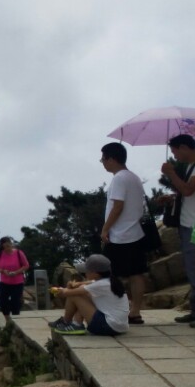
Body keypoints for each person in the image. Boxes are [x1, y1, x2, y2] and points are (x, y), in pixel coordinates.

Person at [100, 142, 147, 324]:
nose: (103, 163)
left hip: (119, 235)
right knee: (136, 274)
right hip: (135, 232)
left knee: (110, 275)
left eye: (103, 159)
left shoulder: (119, 178)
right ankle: (135, 311)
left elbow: (118, 205)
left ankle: (114, 311)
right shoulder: (134, 177)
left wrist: (105, 228)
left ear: (111, 159)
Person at [161, 135, 195, 324]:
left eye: (175, 151)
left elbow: (188, 190)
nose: (174, 155)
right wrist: (172, 198)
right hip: (190, 223)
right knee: (192, 267)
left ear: (184, 147)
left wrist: (171, 173)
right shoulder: (192, 167)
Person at [49, 254, 130, 336]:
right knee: (82, 292)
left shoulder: (100, 285)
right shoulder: (110, 281)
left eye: (87, 271)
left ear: (96, 273)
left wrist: (61, 290)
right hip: (119, 326)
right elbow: (87, 284)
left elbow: (66, 293)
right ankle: (76, 323)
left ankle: (66, 322)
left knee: (75, 295)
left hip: (107, 327)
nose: (84, 273)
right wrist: (78, 284)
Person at [0, 237, 29, 322]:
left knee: (15, 302)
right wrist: (3, 271)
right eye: (5, 246)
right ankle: (8, 320)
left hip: (17, 283)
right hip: (4, 282)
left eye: (8, 245)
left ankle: (16, 321)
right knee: (3, 301)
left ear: (11, 244)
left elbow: (26, 265)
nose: (7, 248)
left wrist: (16, 272)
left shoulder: (19, 253)